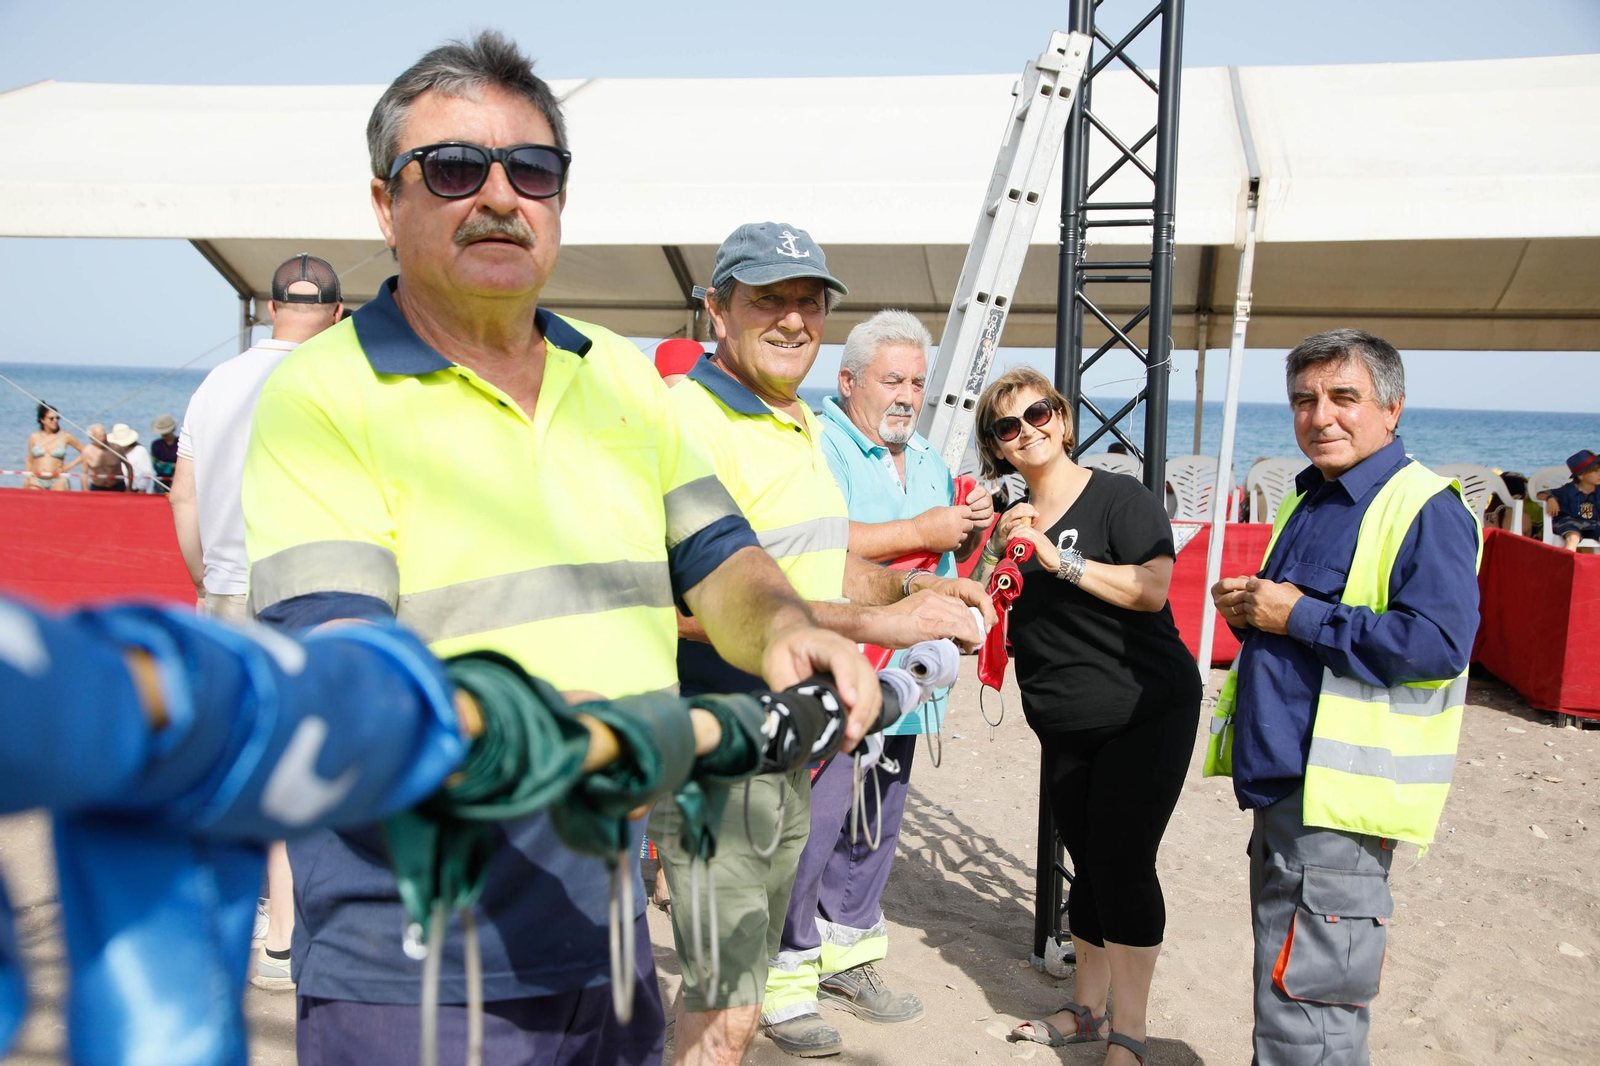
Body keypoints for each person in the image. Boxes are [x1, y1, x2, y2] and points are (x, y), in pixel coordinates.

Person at [240, 33, 877, 1066]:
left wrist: (784, 631)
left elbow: (721, 555)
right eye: (454, 168)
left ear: (560, 199)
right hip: (415, 959)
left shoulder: (617, 374)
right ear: (385, 204)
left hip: (604, 929)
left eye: (531, 169)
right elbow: (348, 669)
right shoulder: (322, 395)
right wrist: (590, 735)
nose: (500, 196)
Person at [654, 223, 991, 1066]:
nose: (794, 318)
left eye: (809, 301)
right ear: (716, 309)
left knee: (732, 995)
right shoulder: (686, 418)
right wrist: (882, 626)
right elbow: (685, 607)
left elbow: (822, 560)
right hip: (721, 745)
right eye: (768, 298)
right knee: (725, 1001)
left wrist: (916, 589)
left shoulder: (795, 416)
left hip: (787, 743)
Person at [1206, 329, 1480, 1066]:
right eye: (1304, 400)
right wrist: (1256, 611)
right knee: (1286, 993)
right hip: (1289, 790)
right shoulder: (1314, 496)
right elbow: (1305, 621)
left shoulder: (1423, 507)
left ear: (1392, 409)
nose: (1320, 416)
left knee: (1311, 1010)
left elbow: (1436, 644)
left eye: (1343, 397)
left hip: (1341, 801)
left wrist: (1295, 614)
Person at [759, 309, 994, 1056]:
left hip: (909, 678)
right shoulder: (816, 441)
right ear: (848, 379)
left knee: (875, 827)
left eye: (918, 383)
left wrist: (968, 529)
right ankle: (784, 980)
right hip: (837, 670)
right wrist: (923, 532)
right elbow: (811, 545)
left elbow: (942, 562)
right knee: (813, 827)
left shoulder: (923, 454)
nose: (908, 396)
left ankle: (847, 959)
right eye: (893, 380)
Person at [965, 368, 1197, 1066]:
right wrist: (991, 549)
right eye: (1008, 426)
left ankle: (1132, 1030)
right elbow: (978, 610)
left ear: (1063, 421)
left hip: (1143, 708)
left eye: (1038, 413)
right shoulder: (1013, 524)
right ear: (997, 447)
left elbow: (1152, 589)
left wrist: (1057, 559)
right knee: (1089, 865)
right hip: (1063, 718)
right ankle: (1088, 1009)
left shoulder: (1119, 497)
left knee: (1122, 861)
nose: (1026, 431)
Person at [168, 252, 344, 991]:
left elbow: (183, 494)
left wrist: (206, 576)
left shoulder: (217, 382)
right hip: (307, 590)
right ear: (337, 314)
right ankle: (283, 935)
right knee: (297, 759)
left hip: (227, 588)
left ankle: (241, 913)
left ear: (272, 309)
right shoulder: (335, 378)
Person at [1545, 449, 1600, 550]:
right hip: (1570, 522)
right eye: (1595, 471)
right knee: (1573, 538)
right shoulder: (1568, 490)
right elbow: (1542, 493)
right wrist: (1550, 498)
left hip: (1594, 523)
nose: (1599, 473)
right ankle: (1567, 559)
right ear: (1581, 475)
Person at [23, 402, 83, 491]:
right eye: (51, 418)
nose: (55, 421)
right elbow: (29, 460)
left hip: (57, 480)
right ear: (43, 420)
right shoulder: (34, 437)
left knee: (59, 498)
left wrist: (69, 466)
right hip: (36, 480)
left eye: (57, 418)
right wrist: (26, 478)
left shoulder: (65, 436)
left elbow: (86, 452)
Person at [81, 424, 133, 491]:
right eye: (99, 436)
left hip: (117, 486)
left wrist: (129, 487)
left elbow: (129, 466)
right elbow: (84, 473)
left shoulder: (116, 448)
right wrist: (85, 491)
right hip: (97, 487)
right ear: (92, 438)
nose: (103, 438)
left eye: (104, 435)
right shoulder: (87, 451)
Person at [106, 423, 156, 493]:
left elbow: (146, 473)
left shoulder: (140, 451)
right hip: (118, 488)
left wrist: (141, 490)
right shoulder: (114, 451)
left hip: (135, 490)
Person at [149, 414, 180, 492]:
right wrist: (173, 466)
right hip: (160, 484)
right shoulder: (156, 445)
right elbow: (156, 465)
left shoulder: (181, 443)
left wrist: (166, 465)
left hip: (179, 480)